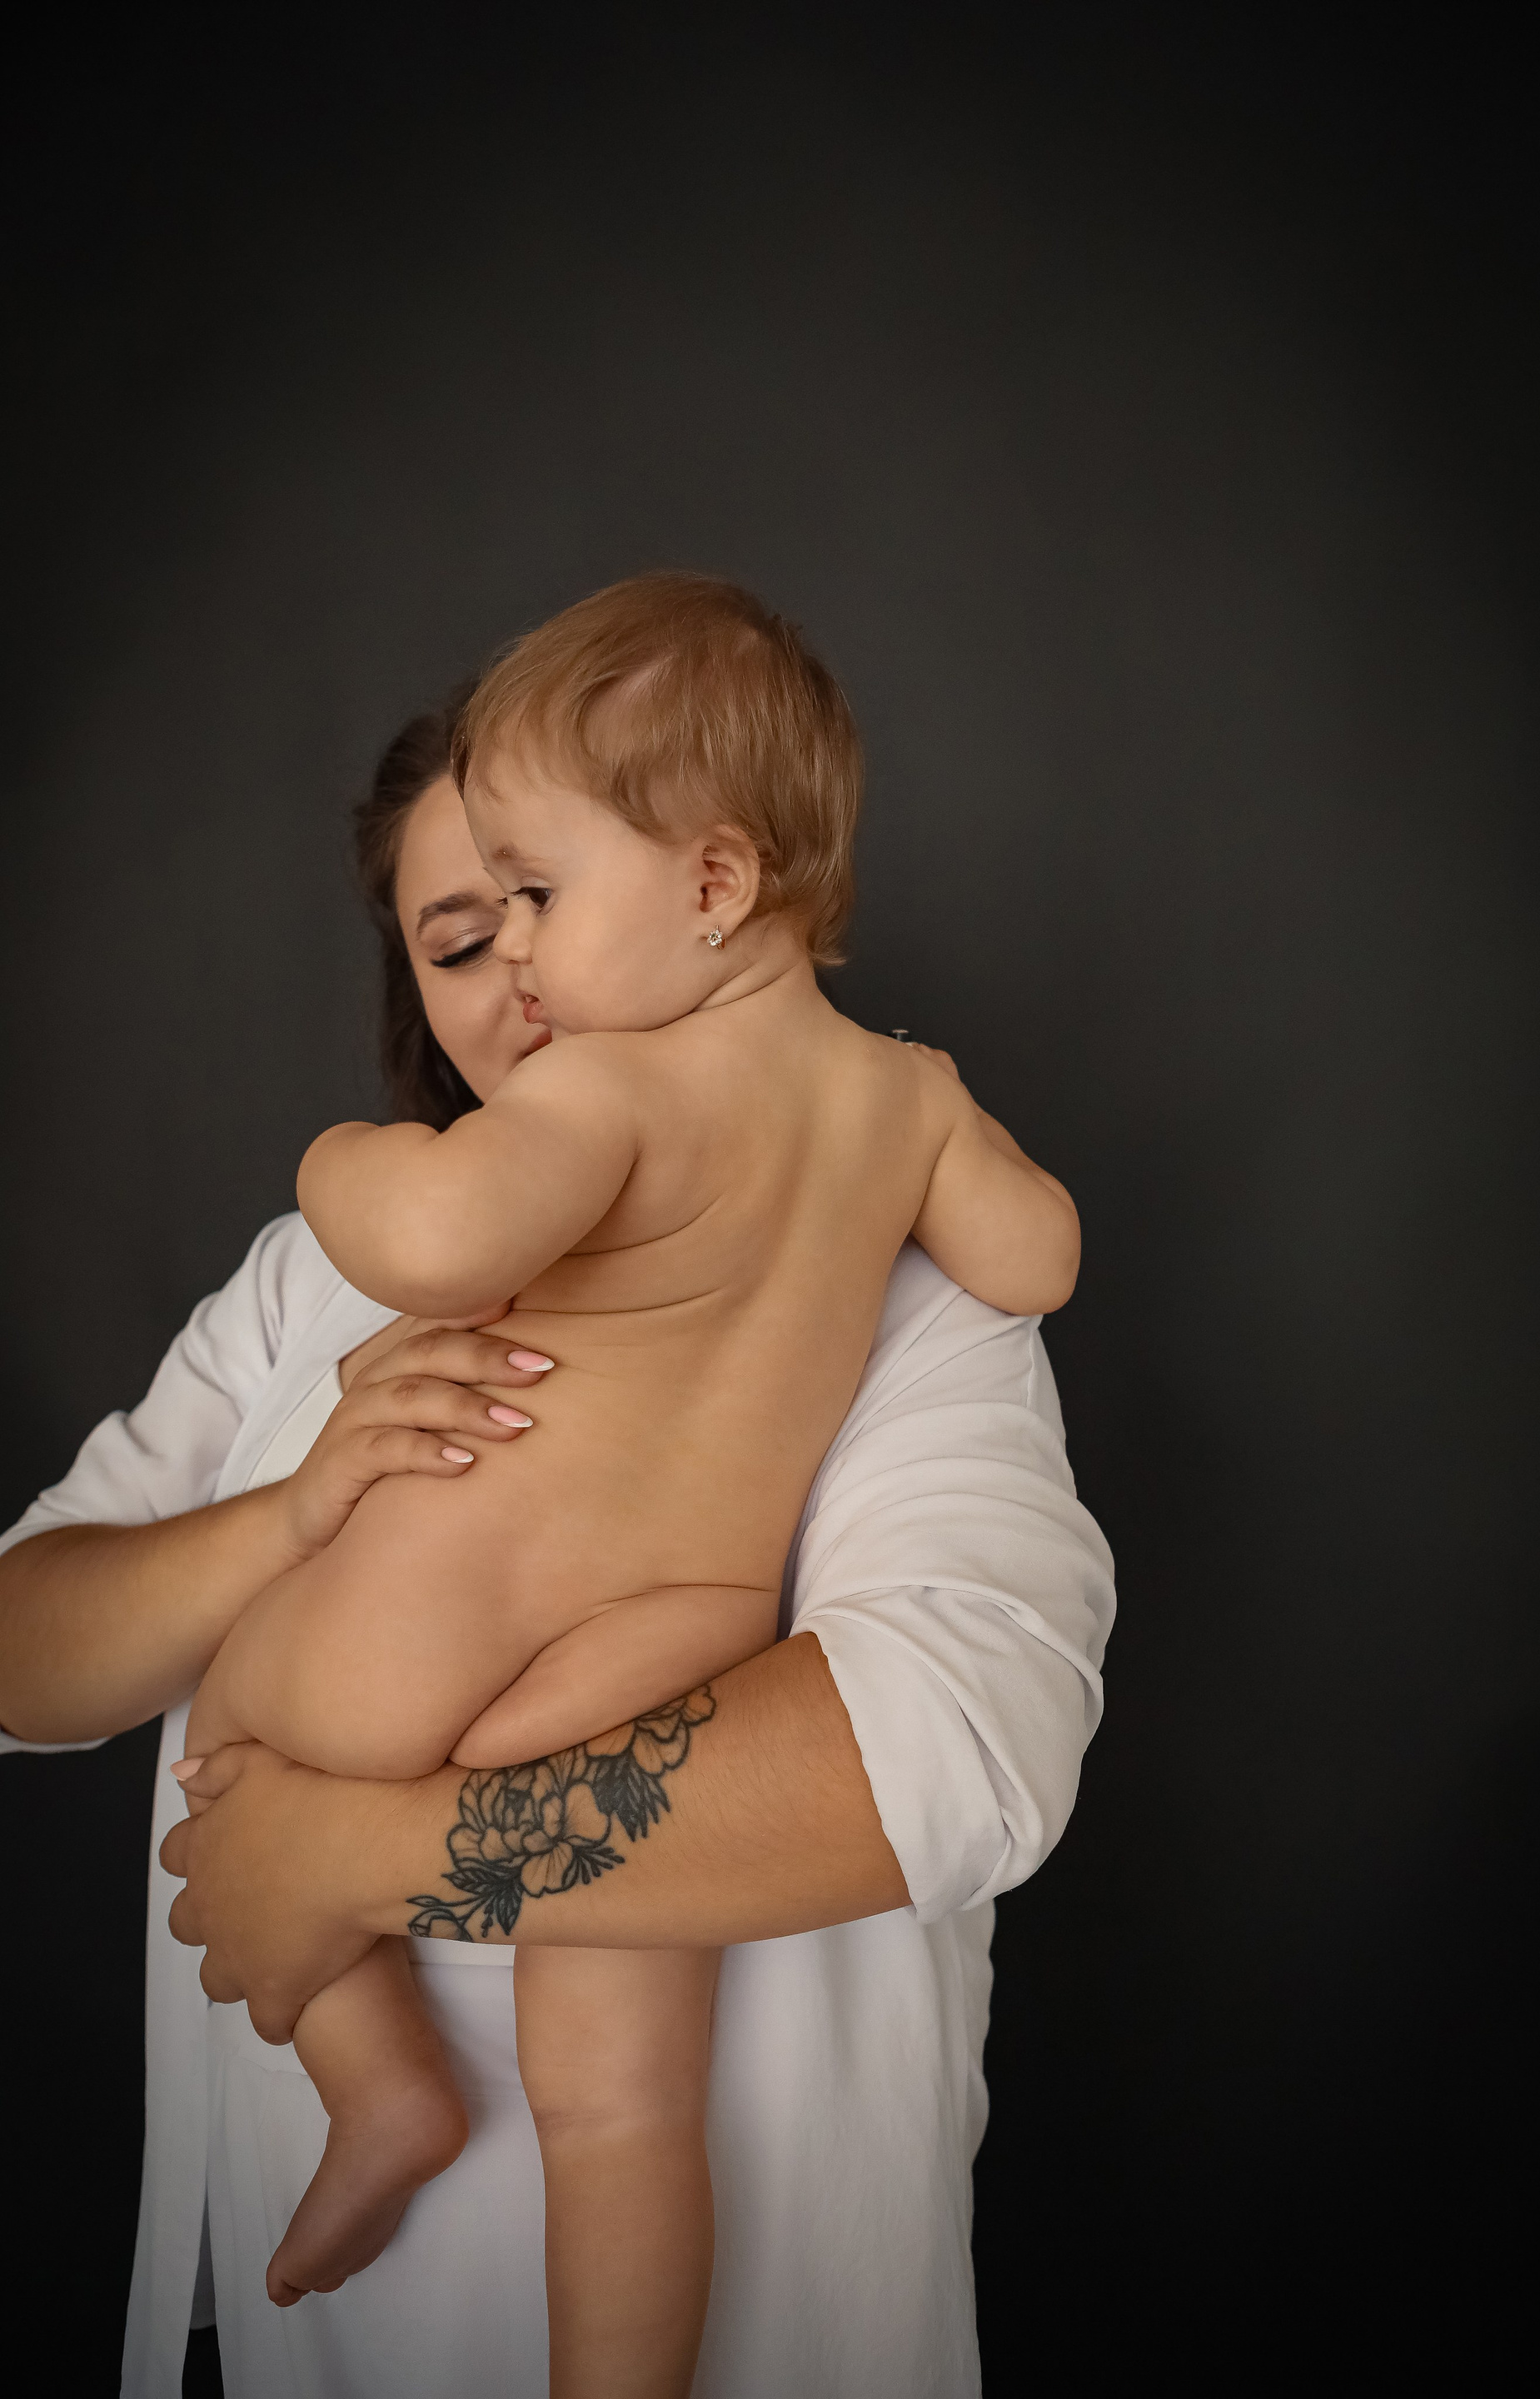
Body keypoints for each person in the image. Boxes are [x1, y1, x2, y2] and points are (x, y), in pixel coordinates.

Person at [0, 656, 1114, 2399]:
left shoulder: (898, 1295)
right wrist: (290, 1513)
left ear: (706, 886)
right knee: (624, 2109)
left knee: (246, 1752)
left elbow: (963, 1749)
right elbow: (23, 1649)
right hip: (349, 2335)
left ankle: (380, 2086)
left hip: (796, 2345)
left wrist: (346, 1857)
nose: (523, 968)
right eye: (464, 939)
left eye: (540, 899)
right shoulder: (307, 1294)